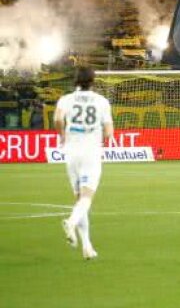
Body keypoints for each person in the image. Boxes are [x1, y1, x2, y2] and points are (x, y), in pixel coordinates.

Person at [54, 67, 113, 260]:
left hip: (71, 153)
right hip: (90, 152)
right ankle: (71, 222)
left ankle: (87, 247)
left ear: (75, 80)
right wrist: (104, 138)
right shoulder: (101, 101)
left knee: (80, 199)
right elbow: (108, 131)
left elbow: (57, 119)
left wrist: (62, 135)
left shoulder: (66, 99)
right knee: (87, 198)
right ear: (93, 81)